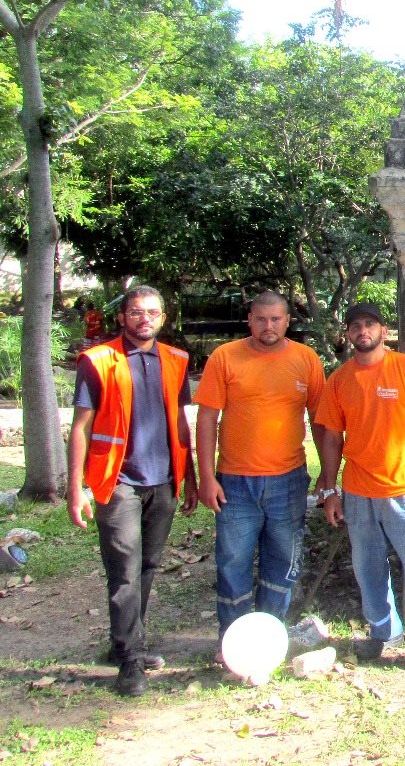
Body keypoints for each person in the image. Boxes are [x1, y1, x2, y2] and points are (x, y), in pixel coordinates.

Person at [66, 285, 197, 697]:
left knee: (147, 567)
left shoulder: (176, 361)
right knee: (123, 571)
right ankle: (130, 660)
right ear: (122, 317)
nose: (144, 319)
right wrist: (75, 489)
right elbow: (80, 428)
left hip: (163, 481)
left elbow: (179, 421)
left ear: (162, 319)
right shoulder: (99, 361)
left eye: (152, 313)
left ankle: (125, 642)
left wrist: (189, 476)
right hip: (117, 481)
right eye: (136, 312)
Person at [314, 302, 405, 675]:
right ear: (348, 334)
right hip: (358, 493)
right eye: (355, 325)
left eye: (370, 324)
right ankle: (383, 632)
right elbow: (330, 437)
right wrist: (329, 490)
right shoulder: (340, 380)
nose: (363, 331)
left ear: (383, 329)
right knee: (367, 567)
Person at [193, 291, 325, 648]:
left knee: (283, 558)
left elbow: (320, 420)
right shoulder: (225, 357)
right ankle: (233, 642)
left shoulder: (305, 359)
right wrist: (206, 477)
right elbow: (207, 419)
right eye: (262, 319)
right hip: (234, 483)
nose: (269, 326)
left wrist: (328, 474)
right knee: (232, 560)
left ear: (288, 321)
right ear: (250, 320)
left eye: (276, 319)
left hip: (288, 480)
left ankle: (268, 638)